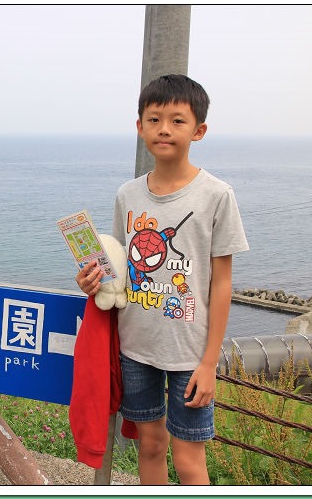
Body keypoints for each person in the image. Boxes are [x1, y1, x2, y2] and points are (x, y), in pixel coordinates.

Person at [76, 74, 248, 485]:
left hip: (190, 355)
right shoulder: (127, 195)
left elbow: (222, 284)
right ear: (140, 127)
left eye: (177, 120)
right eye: (154, 119)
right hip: (136, 347)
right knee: (150, 447)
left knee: (189, 462)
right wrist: (93, 281)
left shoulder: (216, 195)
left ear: (199, 130)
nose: (164, 129)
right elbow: (119, 267)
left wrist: (210, 363)